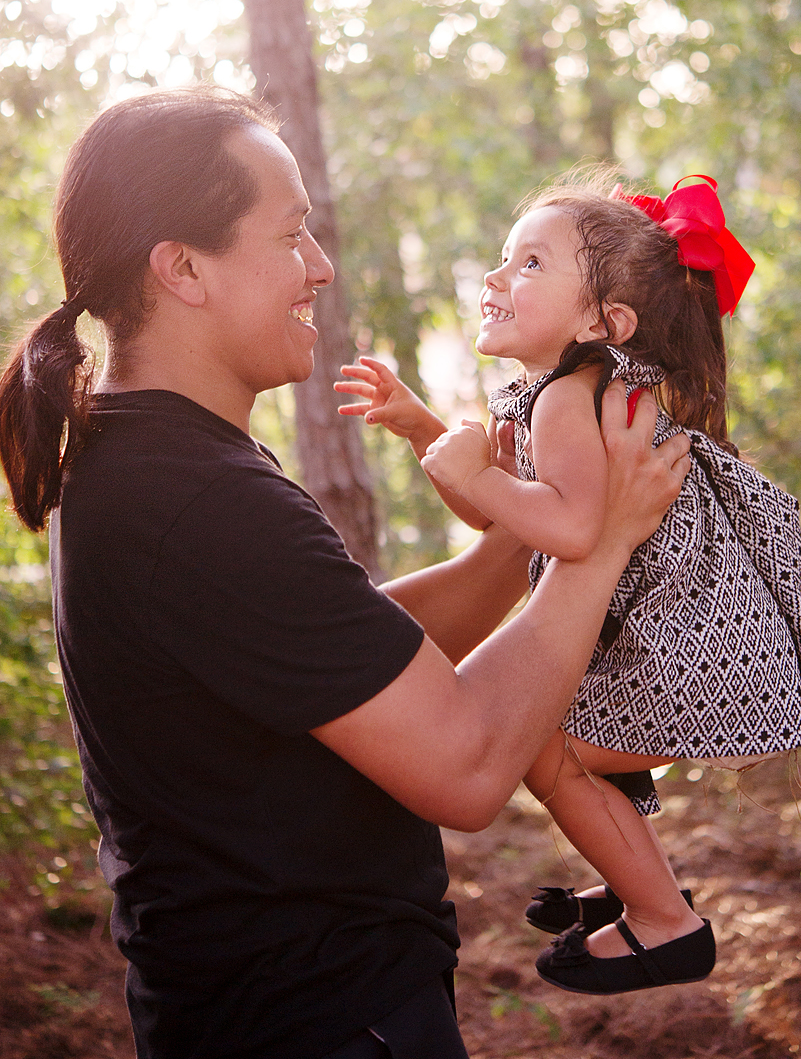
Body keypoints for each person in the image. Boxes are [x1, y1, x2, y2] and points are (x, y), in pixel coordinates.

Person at [0, 88, 692, 1058]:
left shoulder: (150, 462)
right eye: (291, 236)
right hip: (316, 1022)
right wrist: (607, 538)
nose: (320, 268)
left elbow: (350, 651)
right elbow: (465, 767)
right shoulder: (198, 502)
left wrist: (518, 535)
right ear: (183, 268)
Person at [335, 172, 801, 997]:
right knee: (558, 724)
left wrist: (480, 470)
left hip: (698, 660)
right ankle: (631, 878)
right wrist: (428, 431)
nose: (499, 278)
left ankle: (666, 923)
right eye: (505, 257)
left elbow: (568, 529)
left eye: (531, 264)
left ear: (603, 322)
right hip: (701, 654)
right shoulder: (563, 394)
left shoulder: (571, 400)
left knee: (544, 743)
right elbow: (504, 522)